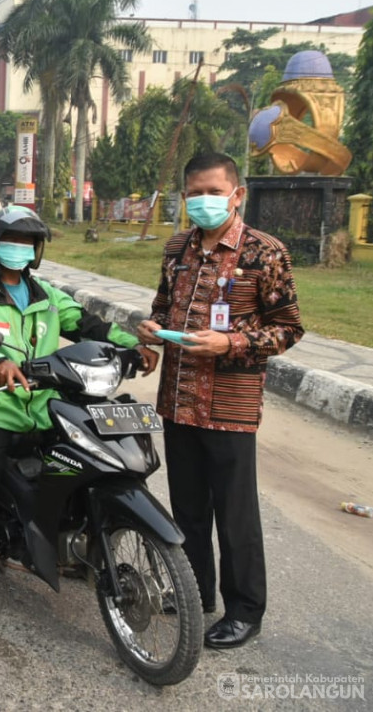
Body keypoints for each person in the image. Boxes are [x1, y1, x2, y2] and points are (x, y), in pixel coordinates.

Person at [0, 206, 158, 630]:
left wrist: (133, 345)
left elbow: (88, 324)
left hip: (44, 405)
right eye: (10, 241)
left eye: (28, 243)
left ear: (38, 251)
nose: (18, 249)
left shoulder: (44, 292)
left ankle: (73, 544)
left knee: (82, 463)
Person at [137, 152, 303, 650]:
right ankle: (196, 592)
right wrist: (150, 330)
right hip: (178, 398)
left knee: (234, 514)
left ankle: (245, 610)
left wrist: (229, 343)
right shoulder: (178, 247)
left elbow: (288, 327)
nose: (203, 201)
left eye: (213, 191)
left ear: (237, 194)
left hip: (230, 404)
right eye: (194, 193)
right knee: (187, 508)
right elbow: (163, 305)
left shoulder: (264, 252)